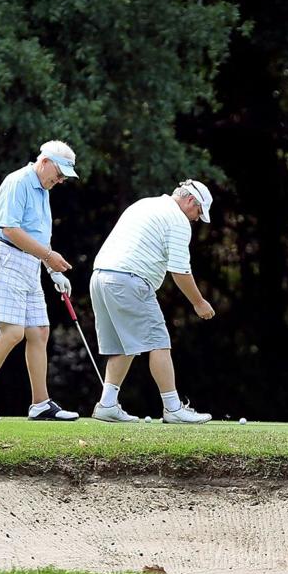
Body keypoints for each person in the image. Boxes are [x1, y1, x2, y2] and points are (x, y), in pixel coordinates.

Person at [0, 141, 80, 421]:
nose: (60, 180)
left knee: (39, 331)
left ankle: (40, 403)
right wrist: (49, 257)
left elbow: (40, 235)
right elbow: (9, 229)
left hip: (29, 261)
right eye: (59, 173)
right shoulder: (18, 182)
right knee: (13, 332)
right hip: (4, 255)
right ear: (45, 161)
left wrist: (53, 271)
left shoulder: (43, 190)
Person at [88, 180, 217, 424]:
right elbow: (179, 270)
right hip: (130, 280)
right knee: (159, 342)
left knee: (123, 346)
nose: (196, 219)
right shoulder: (178, 220)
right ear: (190, 201)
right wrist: (198, 302)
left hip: (100, 277)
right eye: (198, 212)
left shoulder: (145, 204)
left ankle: (106, 404)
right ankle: (173, 408)